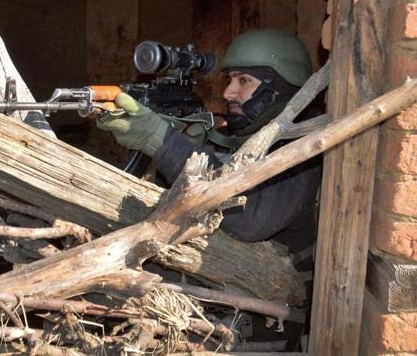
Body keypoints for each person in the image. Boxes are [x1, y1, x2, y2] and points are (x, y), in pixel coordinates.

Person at [97, 29, 322, 251]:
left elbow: (250, 220)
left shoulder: (305, 142)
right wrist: (189, 143)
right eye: (230, 80)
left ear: (277, 88)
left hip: (269, 281)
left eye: (244, 80)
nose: (228, 93)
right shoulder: (230, 137)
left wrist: (164, 142)